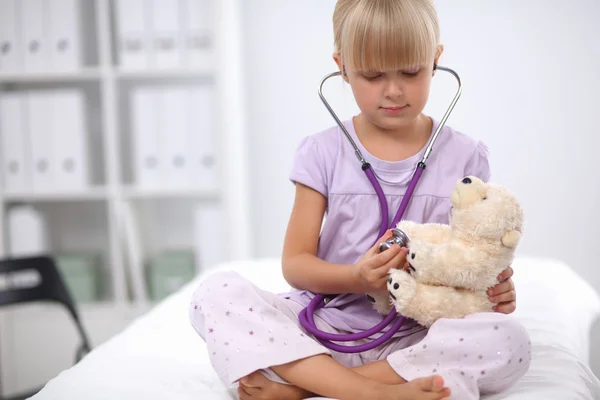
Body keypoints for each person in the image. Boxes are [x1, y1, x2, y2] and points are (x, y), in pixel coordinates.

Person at [188, 0, 531, 399]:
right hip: (324, 325)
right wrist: (356, 278)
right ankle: (370, 391)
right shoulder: (321, 152)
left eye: (411, 71)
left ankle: (304, 384)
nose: (394, 90)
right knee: (217, 292)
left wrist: (493, 288)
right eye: (372, 75)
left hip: (418, 332)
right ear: (343, 67)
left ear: (436, 60)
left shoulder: (466, 157)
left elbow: (468, 254)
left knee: (508, 340)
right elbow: (295, 265)